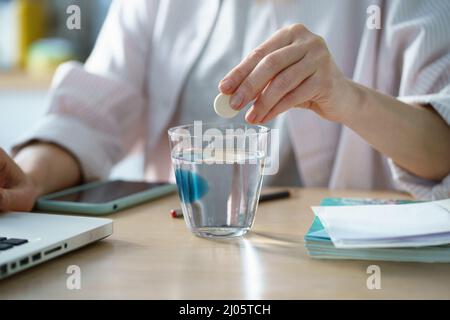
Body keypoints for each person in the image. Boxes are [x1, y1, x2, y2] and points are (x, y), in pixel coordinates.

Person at [1, 0, 449, 212]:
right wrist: (28, 179)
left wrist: (350, 99)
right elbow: (85, 116)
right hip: (185, 255)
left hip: (348, 268)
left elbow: (442, 147)